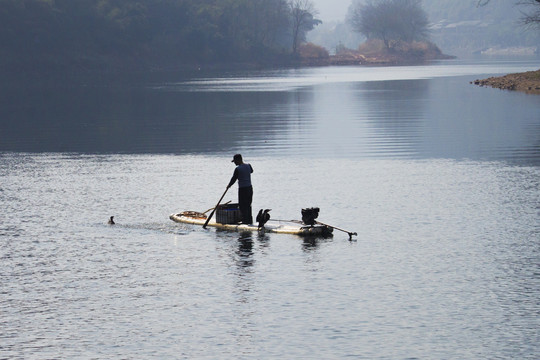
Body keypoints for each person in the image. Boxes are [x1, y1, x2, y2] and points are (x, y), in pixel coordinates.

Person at [227, 154, 253, 224]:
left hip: (243, 189)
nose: (234, 163)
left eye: (235, 161)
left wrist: (229, 186)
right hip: (250, 188)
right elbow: (251, 171)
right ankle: (249, 220)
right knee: (248, 204)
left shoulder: (238, 169)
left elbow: (234, 179)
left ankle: (245, 221)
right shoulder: (249, 166)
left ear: (238, 160)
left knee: (242, 205)